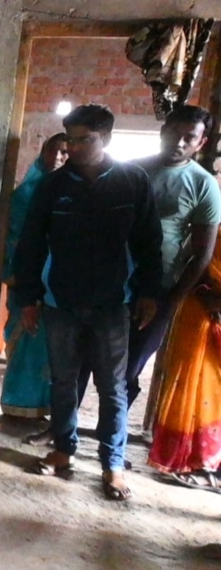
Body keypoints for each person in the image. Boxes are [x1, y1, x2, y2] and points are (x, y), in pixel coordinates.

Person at [14, 103, 162, 502]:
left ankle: (112, 464)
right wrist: (27, 298)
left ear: (107, 138)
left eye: (85, 140)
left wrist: (149, 293)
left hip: (113, 303)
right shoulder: (53, 186)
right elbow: (31, 244)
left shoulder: (132, 182)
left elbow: (149, 242)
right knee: (63, 381)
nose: (75, 147)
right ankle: (63, 450)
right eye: (71, 139)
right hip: (60, 301)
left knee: (112, 387)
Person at [77, 105, 221, 413]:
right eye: (173, 132)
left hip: (158, 290)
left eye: (189, 137)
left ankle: (111, 434)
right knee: (82, 359)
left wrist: (171, 302)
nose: (178, 142)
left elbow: (202, 254)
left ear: (202, 142)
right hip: (108, 285)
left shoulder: (204, 185)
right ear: (162, 131)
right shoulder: (128, 171)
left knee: (127, 370)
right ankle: (63, 429)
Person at [0, 133, 68, 420]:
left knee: (48, 346)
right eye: (54, 151)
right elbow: (13, 236)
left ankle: (42, 407)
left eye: (65, 153)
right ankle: (17, 405)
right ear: (43, 152)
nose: (59, 158)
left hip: (58, 282)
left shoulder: (73, 193)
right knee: (24, 334)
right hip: (25, 278)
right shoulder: (26, 192)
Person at [148, 239, 221, 490]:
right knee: (195, 384)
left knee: (213, 389)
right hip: (197, 307)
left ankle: (209, 465)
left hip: (211, 306)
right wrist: (199, 290)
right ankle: (190, 458)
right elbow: (195, 255)